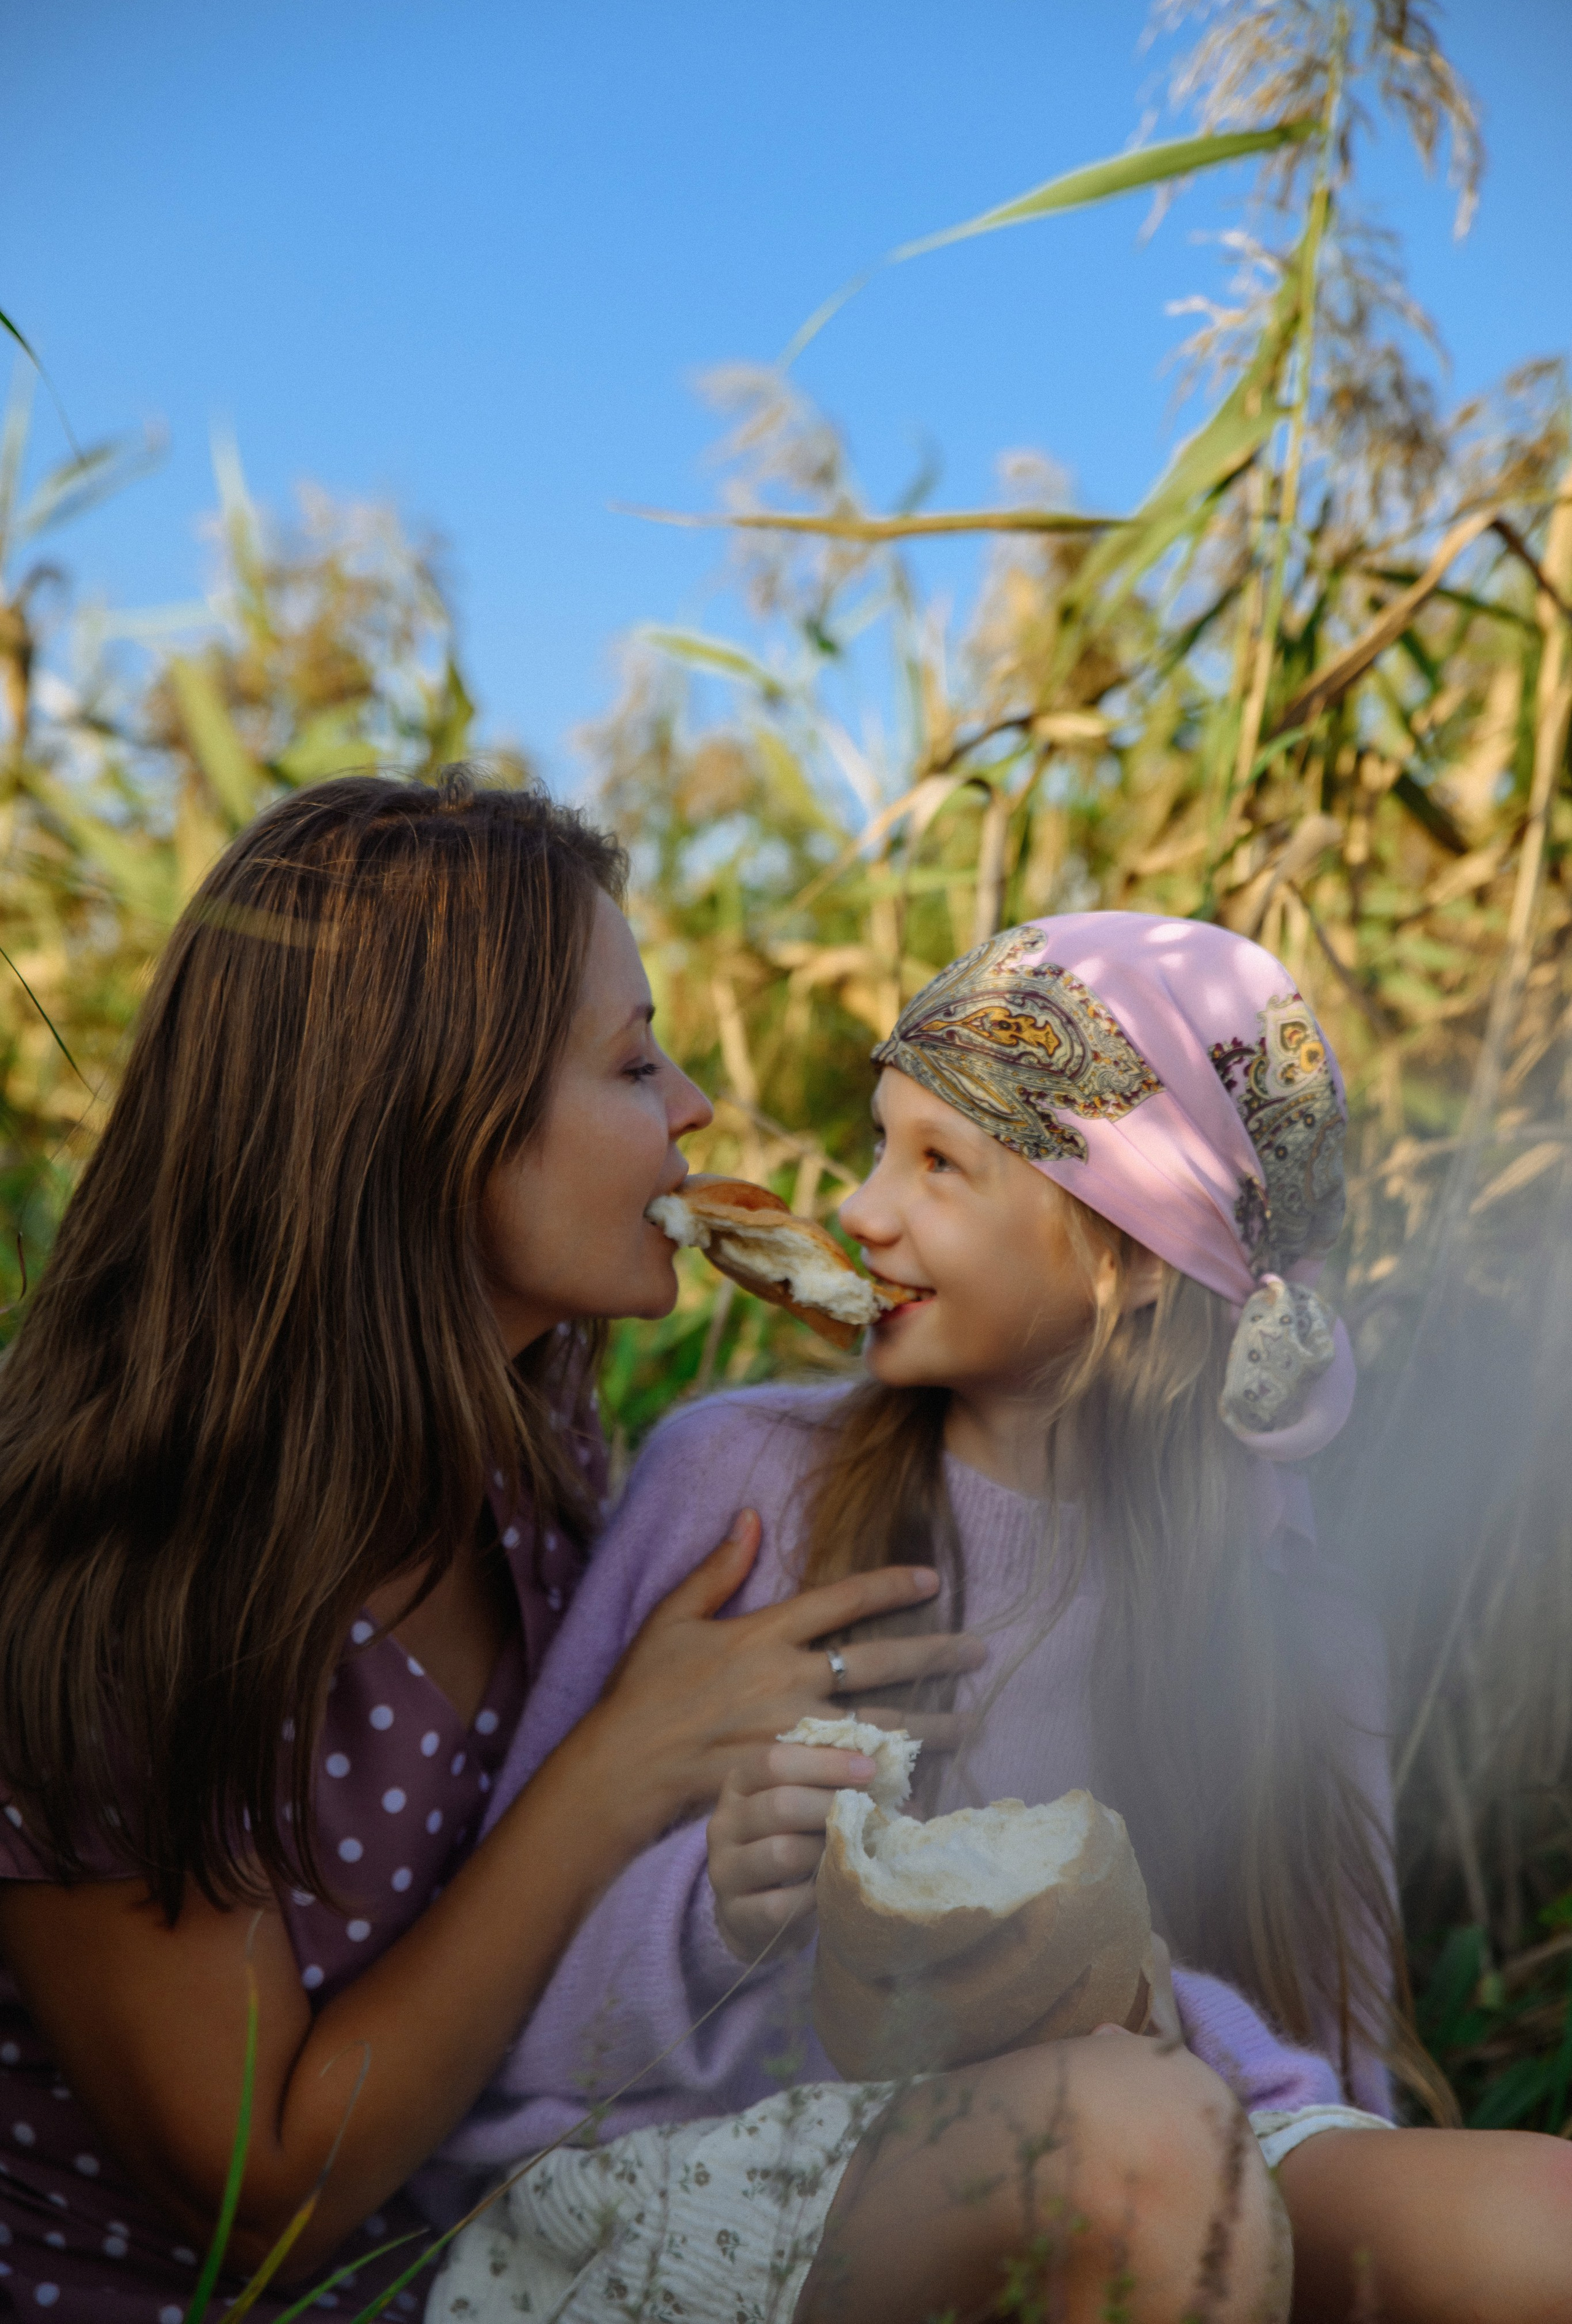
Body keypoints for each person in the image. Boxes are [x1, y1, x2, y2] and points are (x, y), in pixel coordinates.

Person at [427, 914, 1572, 2324]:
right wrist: (716, 1910)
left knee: (1533, 2222)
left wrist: (1155, 2022)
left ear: (1132, 1256)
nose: (859, 1212)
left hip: (1161, 2148)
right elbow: (502, 2027)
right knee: (1138, 2138)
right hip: (691, 2180)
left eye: (938, 1166)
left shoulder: (1300, 1623)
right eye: (877, 1145)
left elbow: (1329, 2089)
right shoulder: (739, 1484)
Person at [0, 772, 975, 2322]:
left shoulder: (524, 1456)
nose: (692, 1109)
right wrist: (616, 1768)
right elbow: (265, 2204)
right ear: (425, 1121)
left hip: (497, 2250)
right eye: (630, 1062)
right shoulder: (115, 1573)